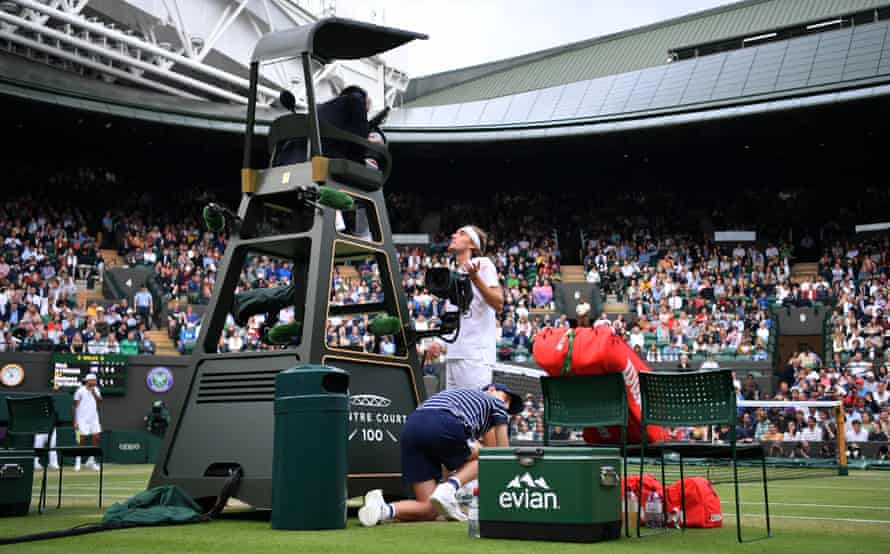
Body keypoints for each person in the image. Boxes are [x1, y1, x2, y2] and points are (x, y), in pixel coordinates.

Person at [358, 383, 521, 526]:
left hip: (412, 427)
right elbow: (500, 454)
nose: (506, 407)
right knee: (487, 457)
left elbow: (454, 461)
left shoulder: (462, 400)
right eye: (506, 399)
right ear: (492, 389)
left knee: (430, 509)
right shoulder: (495, 402)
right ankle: (449, 488)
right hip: (442, 421)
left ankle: (383, 510)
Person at [444, 225, 504, 390]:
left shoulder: (482, 263)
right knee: (454, 414)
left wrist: (475, 278)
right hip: (454, 353)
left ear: (472, 244)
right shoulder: (454, 274)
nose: (454, 235)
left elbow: (499, 303)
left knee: (474, 412)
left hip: (475, 356)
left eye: (461, 233)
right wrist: (439, 343)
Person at [73, 373, 102, 471]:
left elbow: (100, 400)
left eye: (95, 380)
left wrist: (94, 393)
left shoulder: (96, 389)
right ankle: (78, 461)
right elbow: (75, 406)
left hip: (94, 418)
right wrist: (75, 421)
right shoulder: (80, 391)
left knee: (97, 437)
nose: (94, 382)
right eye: (92, 380)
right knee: (81, 439)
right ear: (88, 381)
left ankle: (91, 460)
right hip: (82, 419)